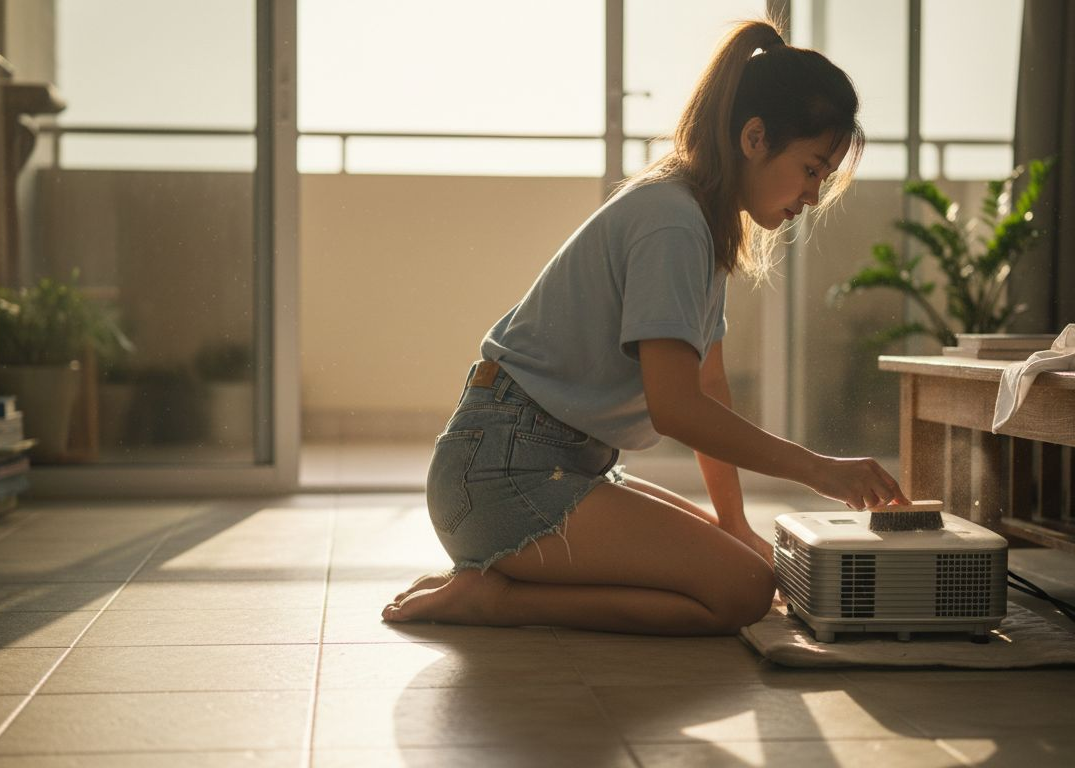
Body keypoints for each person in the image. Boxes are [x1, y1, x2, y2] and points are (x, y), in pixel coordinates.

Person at [382, 19, 910, 636]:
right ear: (755, 138)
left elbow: (709, 387)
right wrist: (820, 469)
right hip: (500, 473)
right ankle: (495, 599)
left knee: (742, 562)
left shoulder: (702, 226)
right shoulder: (673, 221)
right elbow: (676, 409)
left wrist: (734, 522)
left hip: (552, 463)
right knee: (742, 591)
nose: (813, 195)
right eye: (812, 169)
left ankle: (505, 576)